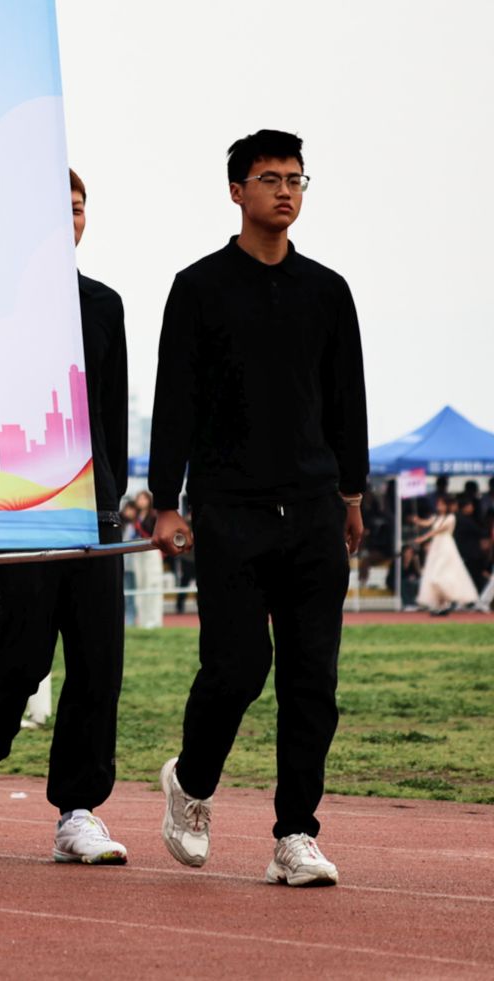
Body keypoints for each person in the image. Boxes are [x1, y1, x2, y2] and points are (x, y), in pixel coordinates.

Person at [148, 129, 366, 888]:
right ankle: (192, 783)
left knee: (313, 683)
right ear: (237, 191)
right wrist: (166, 502)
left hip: (313, 507)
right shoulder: (199, 287)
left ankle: (295, 834)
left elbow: (346, 398)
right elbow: (173, 401)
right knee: (238, 667)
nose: (285, 191)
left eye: (296, 179)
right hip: (229, 510)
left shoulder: (327, 291)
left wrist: (352, 492)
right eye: (270, 178)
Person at [0, 168, 130, 865]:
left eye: (79, 207)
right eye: (59, 206)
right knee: (18, 660)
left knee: (96, 665)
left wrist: (114, 497)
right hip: (14, 507)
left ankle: (78, 812)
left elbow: (111, 413)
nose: (71, 218)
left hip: (93, 510)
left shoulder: (104, 306)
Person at [407, 495, 477, 615]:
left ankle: (445, 603)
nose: (438, 506)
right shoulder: (437, 517)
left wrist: (423, 538)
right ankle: (441, 605)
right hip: (437, 548)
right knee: (434, 575)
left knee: (440, 575)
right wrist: (417, 520)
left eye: (441, 504)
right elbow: (427, 523)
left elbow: (437, 530)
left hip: (446, 548)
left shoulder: (451, 518)